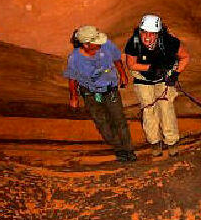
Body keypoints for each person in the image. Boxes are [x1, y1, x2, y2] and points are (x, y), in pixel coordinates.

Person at [65, 25, 136, 162]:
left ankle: (129, 150)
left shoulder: (106, 45)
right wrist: (73, 97)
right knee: (103, 123)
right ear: (86, 44)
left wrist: (122, 75)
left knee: (119, 120)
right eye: (95, 42)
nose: (99, 43)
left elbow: (116, 59)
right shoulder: (75, 59)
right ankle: (118, 148)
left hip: (110, 90)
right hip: (91, 94)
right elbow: (72, 79)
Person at [125, 15, 190, 157]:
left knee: (166, 108)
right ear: (140, 31)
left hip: (164, 78)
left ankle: (171, 142)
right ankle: (154, 142)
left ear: (158, 33)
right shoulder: (134, 42)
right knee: (149, 110)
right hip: (143, 78)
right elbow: (131, 64)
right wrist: (151, 68)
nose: (147, 37)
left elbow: (185, 57)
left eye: (152, 33)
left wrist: (175, 74)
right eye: (144, 32)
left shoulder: (169, 42)